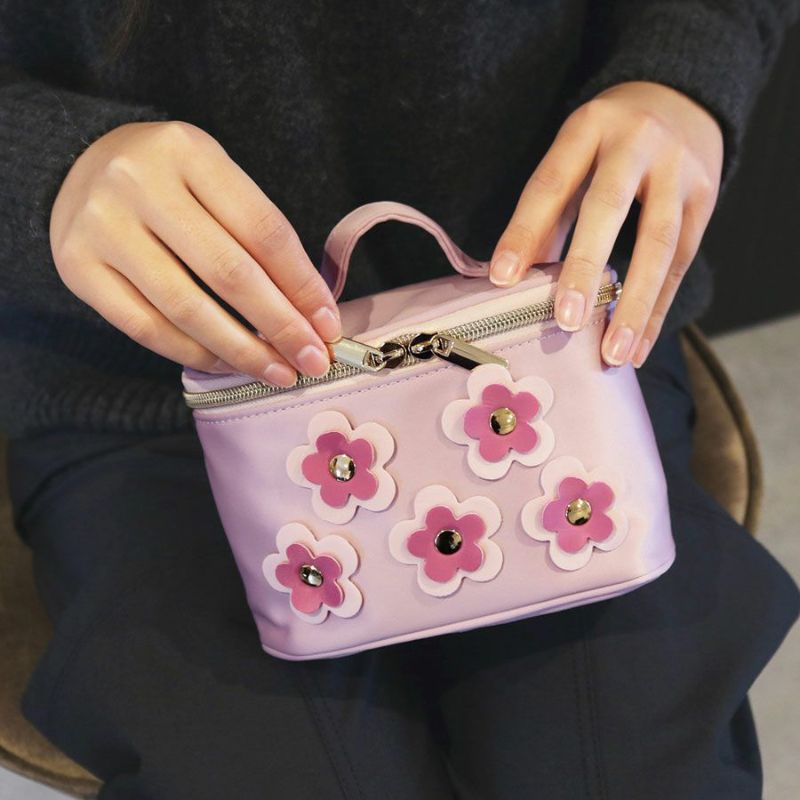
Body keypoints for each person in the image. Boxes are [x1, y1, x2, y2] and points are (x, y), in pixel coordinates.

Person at [2, 2, 799, 798]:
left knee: (631, 769)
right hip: (144, 376)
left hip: (551, 339)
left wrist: (682, 73)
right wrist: (44, 160)